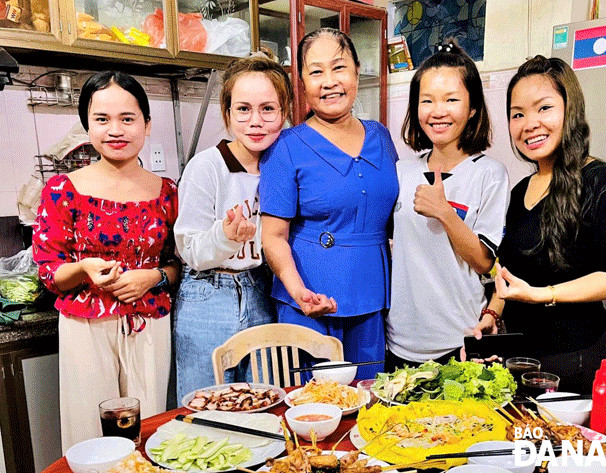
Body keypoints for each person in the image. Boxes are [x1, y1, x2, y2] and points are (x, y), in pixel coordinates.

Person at [32, 71, 179, 451]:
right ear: (87, 125)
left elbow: (178, 263)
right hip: (86, 326)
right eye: (102, 119)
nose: (116, 130)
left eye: (127, 119)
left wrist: (153, 277)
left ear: (147, 124)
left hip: (149, 324)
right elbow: (49, 271)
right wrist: (83, 268)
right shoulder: (63, 190)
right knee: (89, 433)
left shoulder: (166, 191)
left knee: (151, 431)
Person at [485, 56, 606, 393]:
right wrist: (492, 315)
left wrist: (542, 296)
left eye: (544, 108)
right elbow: (508, 270)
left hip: (573, 358)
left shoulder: (601, 182)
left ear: (570, 110)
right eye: (518, 114)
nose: (529, 123)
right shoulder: (521, 190)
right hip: (520, 358)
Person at [259, 28, 399, 380]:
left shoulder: (381, 135)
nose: (329, 82)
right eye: (316, 71)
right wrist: (298, 290)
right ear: (302, 82)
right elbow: (273, 236)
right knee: (313, 409)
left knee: (367, 403)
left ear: (356, 71)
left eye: (339, 68)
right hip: (308, 296)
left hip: (371, 296)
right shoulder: (286, 146)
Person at [385, 40, 509, 372]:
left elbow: (484, 262)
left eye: (451, 100)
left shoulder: (489, 174)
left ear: (472, 108)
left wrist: (444, 213)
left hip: (459, 341)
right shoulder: (401, 171)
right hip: (397, 341)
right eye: (427, 101)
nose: (438, 111)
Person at [173, 55, 292, 397]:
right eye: (243, 109)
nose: (256, 121)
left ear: (284, 113)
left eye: (268, 109)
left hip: (262, 291)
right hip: (208, 295)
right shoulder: (207, 167)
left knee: (264, 402)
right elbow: (190, 248)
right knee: (205, 405)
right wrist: (225, 237)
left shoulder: (282, 166)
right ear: (227, 115)